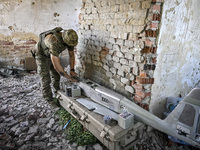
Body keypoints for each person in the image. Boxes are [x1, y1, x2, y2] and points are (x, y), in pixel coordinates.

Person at [35, 27, 78, 102]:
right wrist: (69, 78)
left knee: (56, 75)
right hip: (42, 55)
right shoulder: (53, 41)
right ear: (64, 40)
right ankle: (49, 100)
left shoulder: (70, 39)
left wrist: (72, 70)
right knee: (45, 78)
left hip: (53, 54)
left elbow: (71, 55)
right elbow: (57, 67)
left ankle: (57, 93)